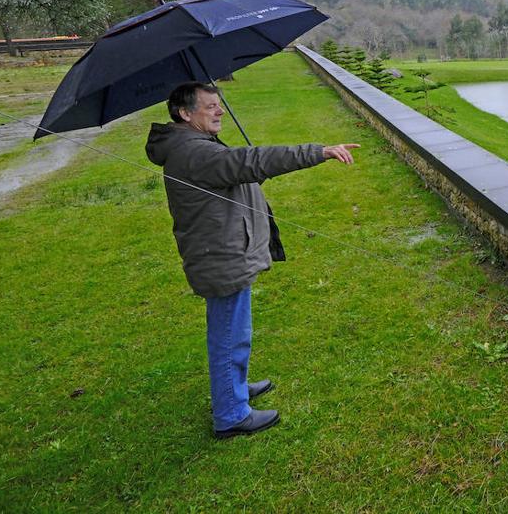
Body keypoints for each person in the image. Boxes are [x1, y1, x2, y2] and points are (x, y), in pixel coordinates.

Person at [145, 82, 358, 438]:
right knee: (230, 334)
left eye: (220, 105)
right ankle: (230, 414)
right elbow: (250, 162)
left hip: (223, 251)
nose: (219, 111)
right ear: (185, 114)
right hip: (220, 255)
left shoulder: (191, 144)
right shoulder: (195, 152)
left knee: (232, 331)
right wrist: (318, 152)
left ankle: (234, 390)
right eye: (210, 106)